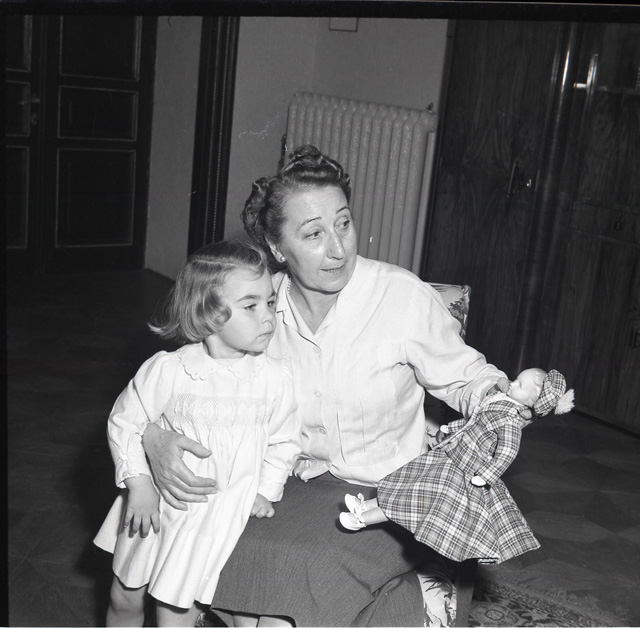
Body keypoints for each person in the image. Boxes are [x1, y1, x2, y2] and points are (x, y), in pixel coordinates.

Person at [141, 145, 510, 627]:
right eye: (314, 234)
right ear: (277, 249)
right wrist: (154, 437)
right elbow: (184, 380)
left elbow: (470, 379)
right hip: (282, 486)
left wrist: (505, 401)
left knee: (280, 605)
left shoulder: (400, 297)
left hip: (385, 498)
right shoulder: (256, 310)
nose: (338, 248)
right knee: (217, 576)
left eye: (344, 223)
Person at [93, 240, 302, 627]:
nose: (268, 317)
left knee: (175, 614)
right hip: (156, 509)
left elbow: (284, 440)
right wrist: (139, 484)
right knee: (124, 598)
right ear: (208, 311)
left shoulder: (275, 378)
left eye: (270, 302)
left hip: (212, 522)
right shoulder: (169, 370)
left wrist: (264, 490)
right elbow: (125, 421)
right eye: (251, 306)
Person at [339, 369, 575, 566]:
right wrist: (450, 428)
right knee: (407, 484)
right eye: (516, 379)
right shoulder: (501, 402)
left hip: (463, 471)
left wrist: (487, 475)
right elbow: (474, 422)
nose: (512, 383)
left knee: (409, 500)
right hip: (450, 456)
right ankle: (364, 506)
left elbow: (507, 452)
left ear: (533, 401)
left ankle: (361, 519)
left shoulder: (511, 422)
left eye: (520, 385)